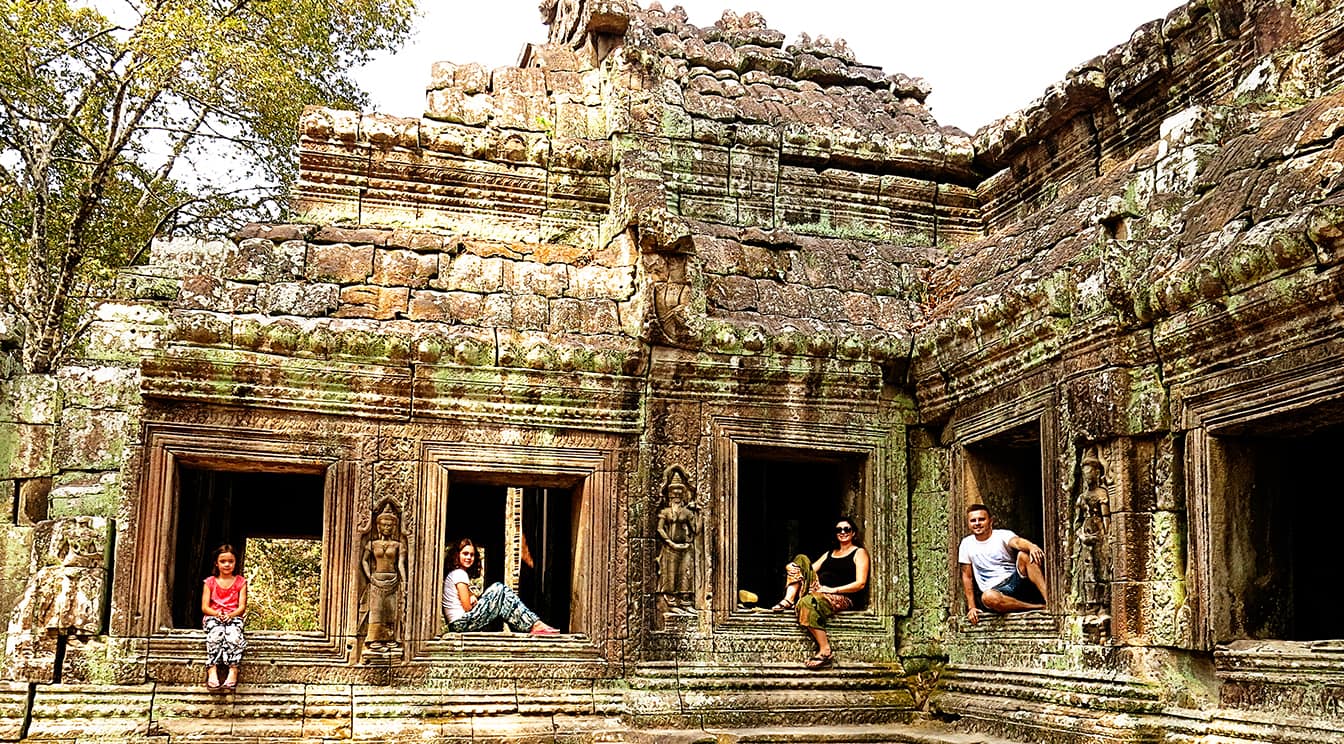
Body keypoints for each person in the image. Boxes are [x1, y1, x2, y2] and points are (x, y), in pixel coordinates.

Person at [772, 516, 869, 670]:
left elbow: (860, 583)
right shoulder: (830, 553)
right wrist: (794, 568)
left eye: (847, 529)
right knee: (801, 559)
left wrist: (833, 590)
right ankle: (788, 599)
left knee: (806, 603)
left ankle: (825, 650)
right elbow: (809, 570)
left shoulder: (859, 553)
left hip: (841, 596)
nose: (843, 532)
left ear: (853, 533)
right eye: (839, 530)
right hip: (819, 590)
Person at [441, 537, 560, 635]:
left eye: (471, 555)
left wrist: (473, 596)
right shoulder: (459, 574)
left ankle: (531, 625)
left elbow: (463, 597)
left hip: (458, 624)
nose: (469, 558)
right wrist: (476, 601)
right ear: (457, 555)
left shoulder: (455, 574)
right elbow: (467, 608)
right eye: (465, 554)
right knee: (499, 589)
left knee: (502, 597)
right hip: (460, 624)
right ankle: (534, 624)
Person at [958, 503, 1048, 625]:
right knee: (987, 597)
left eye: (981, 519)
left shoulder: (1002, 535)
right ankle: (1036, 607)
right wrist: (971, 607)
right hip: (995, 591)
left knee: (1024, 555)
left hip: (1015, 580)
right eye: (973, 520)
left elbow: (1017, 542)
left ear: (991, 521)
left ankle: (1049, 600)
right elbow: (967, 576)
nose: (977, 523)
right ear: (968, 524)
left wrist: (1031, 546)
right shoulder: (966, 544)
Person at [201, 543, 247, 691]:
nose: (227, 564)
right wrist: (217, 614)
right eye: (223, 561)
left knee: (234, 636)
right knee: (215, 635)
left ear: (235, 562)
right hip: (213, 617)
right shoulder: (210, 582)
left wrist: (230, 615)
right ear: (216, 563)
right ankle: (212, 669)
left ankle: (233, 669)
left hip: (233, 618)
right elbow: (205, 607)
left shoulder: (241, 582)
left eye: (230, 561)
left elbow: (241, 607)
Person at [361, 505, 407, 647]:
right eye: (384, 525)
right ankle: (374, 639)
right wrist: (370, 577)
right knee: (377, 610)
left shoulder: (398, 545)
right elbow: (364, 561)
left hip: (392, 580)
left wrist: (404, 582)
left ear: (394, 527)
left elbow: (400, 564)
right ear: (378, 526)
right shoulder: (372, 544)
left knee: (391, 610)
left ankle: (391, 638)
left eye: (390, 525)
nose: (387, 528)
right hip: (377, 580)